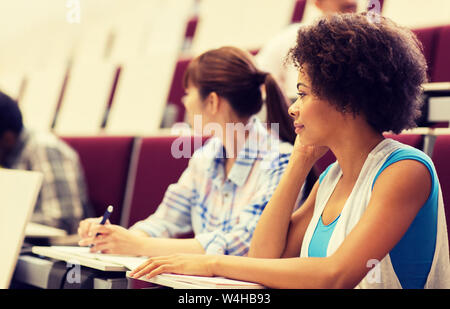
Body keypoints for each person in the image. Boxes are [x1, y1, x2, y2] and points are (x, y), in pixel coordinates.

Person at [130, 13, 450, 289]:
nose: (293, 109)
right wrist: (299, 161)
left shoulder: (406, 170)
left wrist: (213, 263)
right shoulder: (330, 178)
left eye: (303, 94)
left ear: (346, 99)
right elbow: (264, 256)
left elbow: (335, 276)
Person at [77, 46, 306, 257]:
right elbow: (163, 222)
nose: (184, 102)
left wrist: (139, 245)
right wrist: (115, 238)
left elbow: (246, 243)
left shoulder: (279, 160)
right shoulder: (204, 157)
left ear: (213, 101)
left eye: (189, 92)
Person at [0, 91, 90, 234]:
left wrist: (8, 222)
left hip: (56, 248)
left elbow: (64, 220)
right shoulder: (10, 154)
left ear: (7, 138)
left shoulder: (43, 148)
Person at [255, 0, 359, 101]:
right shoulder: (288, 38)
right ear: (318, 2)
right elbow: (257, 84)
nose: (351, 1)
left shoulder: (368, 43)